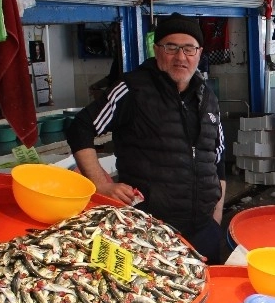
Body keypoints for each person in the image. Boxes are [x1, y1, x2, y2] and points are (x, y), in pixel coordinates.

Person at [66, 13, 226, 263]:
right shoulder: (133, 89)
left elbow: (218, 160)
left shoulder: (208, 97)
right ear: (156, 49)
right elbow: (81, 128)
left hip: (204, 230)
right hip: (150, 230)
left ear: (199, 52)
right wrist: (100, 184)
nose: (181, 57)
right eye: (171, 47)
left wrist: (215, 219)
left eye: (189, 48)